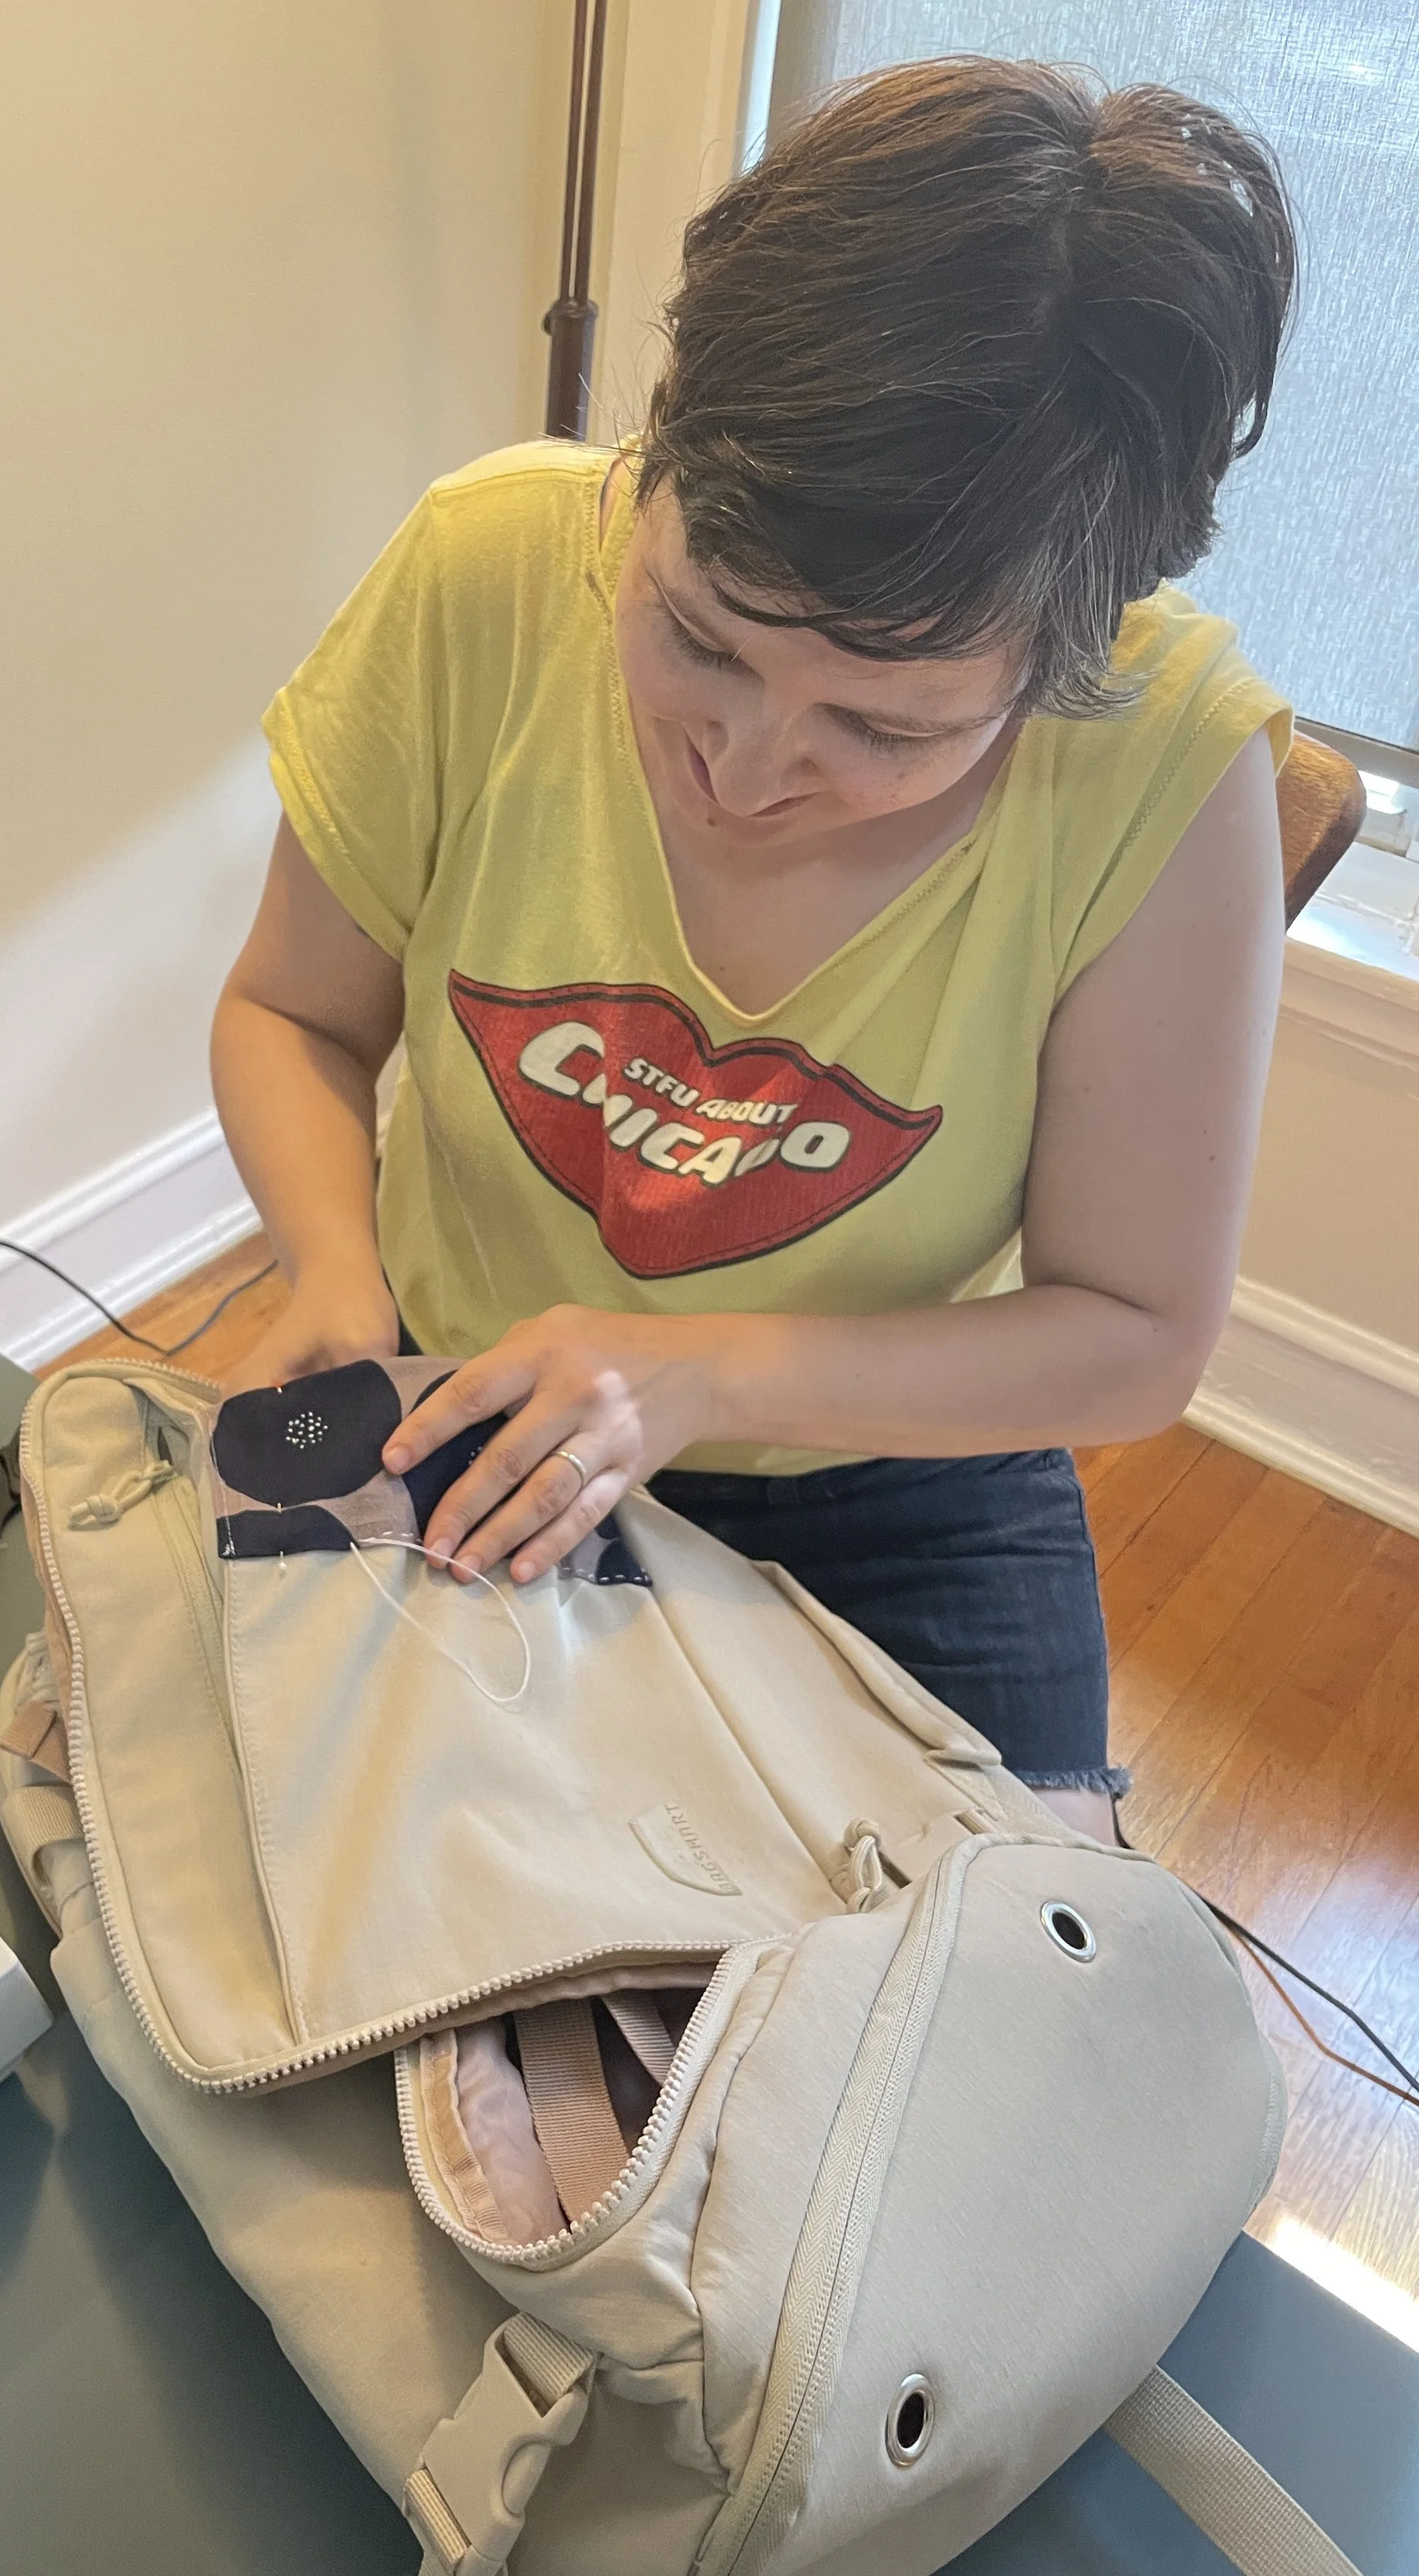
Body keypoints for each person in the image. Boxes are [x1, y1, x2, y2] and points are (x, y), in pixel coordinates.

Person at [210, 58, 1296, 1840]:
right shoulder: (486, 570)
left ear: (1063, 656)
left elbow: (1129, 1336)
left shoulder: (1162, 765)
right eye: (697, 637)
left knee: (988, 2006)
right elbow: (288, 1013)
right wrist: (334, 1275)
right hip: (467, 1383)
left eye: (881, 729)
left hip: (903, 1463)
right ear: (654, 469)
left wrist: (699, 1369)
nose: (741, 767)